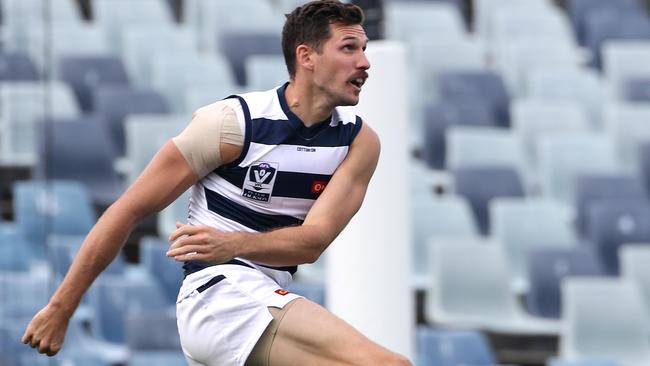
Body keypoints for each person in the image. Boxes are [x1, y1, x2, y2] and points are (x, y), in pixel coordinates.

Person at [22, 1, 412, 365]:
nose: (364, 62)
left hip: (266, 296)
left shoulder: (359, 143)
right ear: (306, 56)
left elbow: (312, 243)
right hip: (219, 293)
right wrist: (60, 308)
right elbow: (128, 210)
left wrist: (233, 242)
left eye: (364, 48)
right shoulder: (231, 123)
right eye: (349, 48)